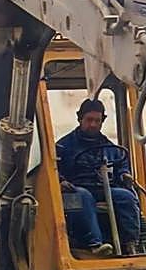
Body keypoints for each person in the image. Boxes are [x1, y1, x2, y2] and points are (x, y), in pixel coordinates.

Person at [57, 98, 140, 256]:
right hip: (74, 190)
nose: (93, 124)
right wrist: (61, 181)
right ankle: (95, 244)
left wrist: (124, 174)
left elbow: (121, 165)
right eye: (89, 120)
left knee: (126, 197)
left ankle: (131, 244)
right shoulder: (64, 146)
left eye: (97, 120)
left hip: (104, 188)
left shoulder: (110, 147)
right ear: (80, 119)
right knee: (82, 196)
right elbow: (53, 169)